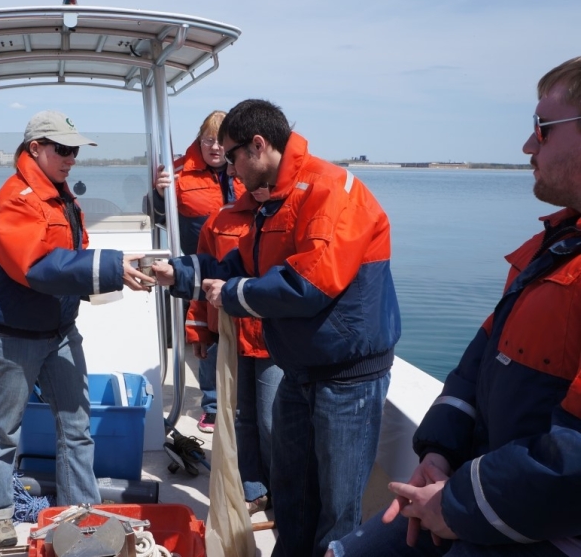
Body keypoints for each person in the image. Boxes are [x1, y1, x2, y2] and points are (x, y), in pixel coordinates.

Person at [326, 58, 581, 557]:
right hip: (480, 495)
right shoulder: (552, 250)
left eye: (542, 129)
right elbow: (478, 363)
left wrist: (455, 503)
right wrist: (439, 452)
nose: (528, 146)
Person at [153, 98, 401, 557]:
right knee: (293, 496)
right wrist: (180, 274)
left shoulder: (331, 192)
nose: (228, 170)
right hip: (299, 370)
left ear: (259, 146)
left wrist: (230, 296)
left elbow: (308, 285)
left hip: (347, 379)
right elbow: (238, 261)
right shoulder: (273, 201)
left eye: (231, 157)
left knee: (337, 510)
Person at [0, 110, 152, 547]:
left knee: (76, 426)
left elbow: (73, 253)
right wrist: (109, 267)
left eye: (75, 150)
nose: (72, 158)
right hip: (12, 338)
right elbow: (37, 266)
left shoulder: (59, 196)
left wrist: (106, 275)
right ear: (36, 149)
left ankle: (81, 514)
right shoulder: (15, 199)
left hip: (60, 332)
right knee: (3, 430)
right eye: (63, 149)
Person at [185, 183, 282, 515]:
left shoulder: (285, 214)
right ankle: (253, 489)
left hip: (272, 340)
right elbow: (206, 278)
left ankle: (281, 490)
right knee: (241, 417)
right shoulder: (221, 219)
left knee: (272, 419)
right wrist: (199, 329)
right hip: (232, 337)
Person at [152, 110, 246, 433]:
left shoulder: (243, 169)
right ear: (200, 139)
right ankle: (211, 404)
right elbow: (158, 216)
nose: (216, 148)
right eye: (209, 140)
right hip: (199, 267)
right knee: (205, 333)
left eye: (222, 142)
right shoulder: (179, 172)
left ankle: (240, 403)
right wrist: (159, 194)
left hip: (241, 265)